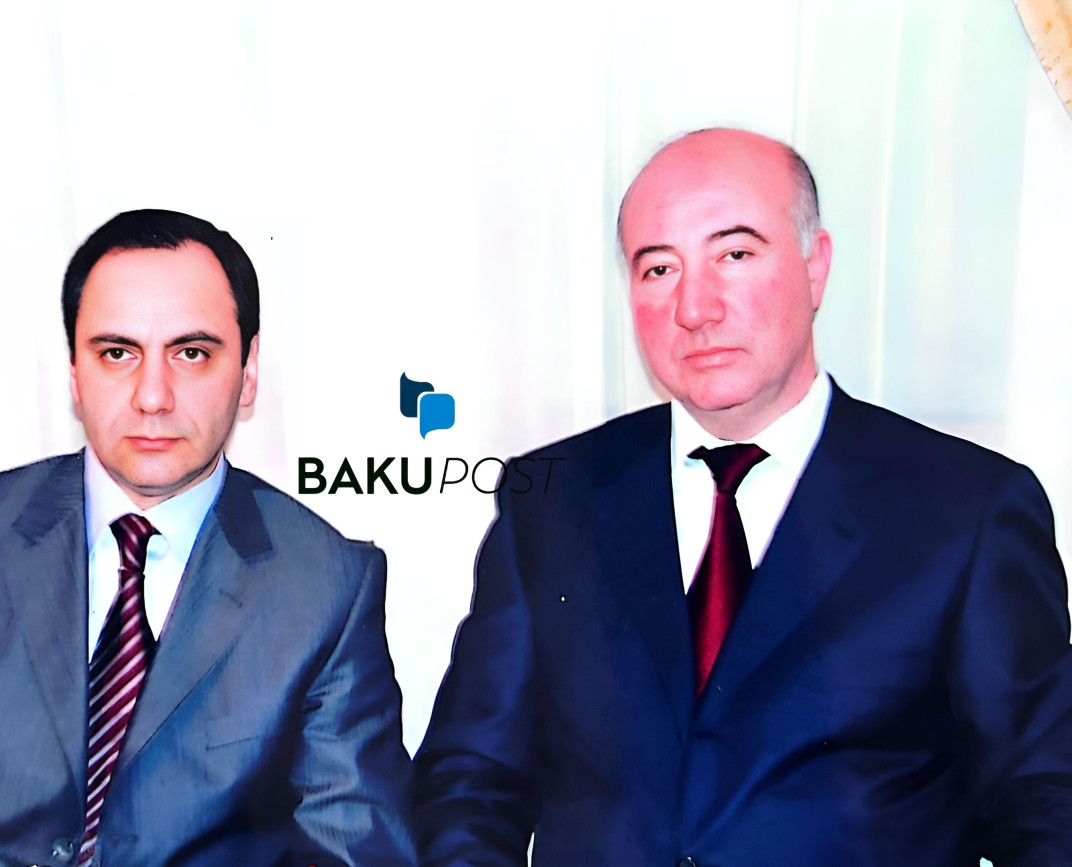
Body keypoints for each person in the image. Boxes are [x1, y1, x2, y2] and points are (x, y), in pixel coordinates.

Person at [413, 129, 1072, 865]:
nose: (694, 307)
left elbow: (1045, 799)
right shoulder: (551, 498)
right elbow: (471, 780)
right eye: (659, 268)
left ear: (815, 266)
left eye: (734, 254)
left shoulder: (967, 510)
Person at [0, 210, 416, 867]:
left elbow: (356, 852)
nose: (153, 396)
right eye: (117, 353)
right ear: (74, 371)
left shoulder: (326, 584)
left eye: (192, 353)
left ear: (248, 370)